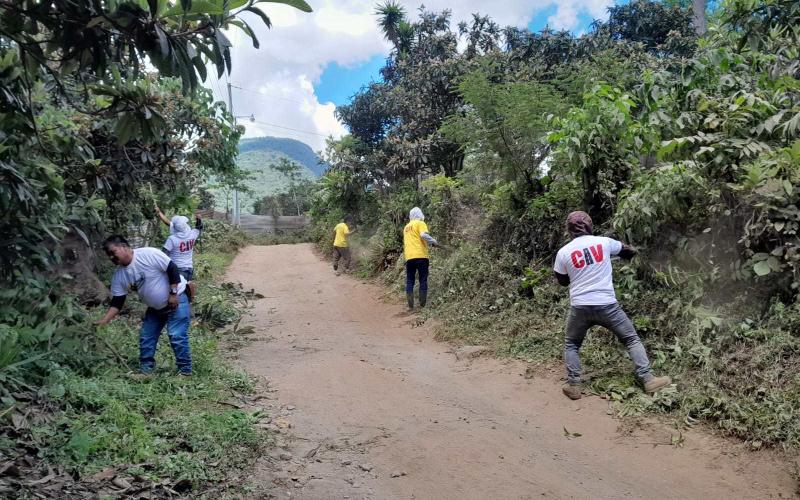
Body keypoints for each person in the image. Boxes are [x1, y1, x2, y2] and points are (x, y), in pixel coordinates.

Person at [553, 211, 670, 400]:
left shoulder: (563, 252)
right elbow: (628, 251)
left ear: (569, 230)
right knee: (631, 339)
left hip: (580, 307)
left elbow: (563, 281)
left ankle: (574, 385)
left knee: (572, 344)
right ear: (590, 225)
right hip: (607, 305)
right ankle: (648, 379)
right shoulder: (604, 243)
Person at [94, 235, 192, 377]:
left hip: (177, 300)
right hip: (155, 309)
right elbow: (117, 301)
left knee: (176, 335)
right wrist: (105, 320)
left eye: (112, 252)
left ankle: (185, 371)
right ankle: (146, 371)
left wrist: (173, 293)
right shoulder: (119, 275)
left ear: (123, 246)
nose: (111, 257)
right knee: (147, 336)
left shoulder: (148, 254)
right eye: (108, 255)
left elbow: (172, 268)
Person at [155, 205, 201, 299]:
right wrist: (199, 219)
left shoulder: (172, 239)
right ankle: (190, 299)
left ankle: (181, 305)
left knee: (177, 293)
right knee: (185, 287)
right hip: (189, 268)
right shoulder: (192, 234)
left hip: (177, 270)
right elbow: (199, 227)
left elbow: (163, 255)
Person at [403, 207, 440, 309]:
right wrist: (433, 241)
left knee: (410, 280)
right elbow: (423, 235)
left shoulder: (406, 227)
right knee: (423, 280)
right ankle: (422, 304)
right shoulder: (420, 223)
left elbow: (413, 240)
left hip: (409, 257)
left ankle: (410, 303)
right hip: (421, 256)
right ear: (420, 214)